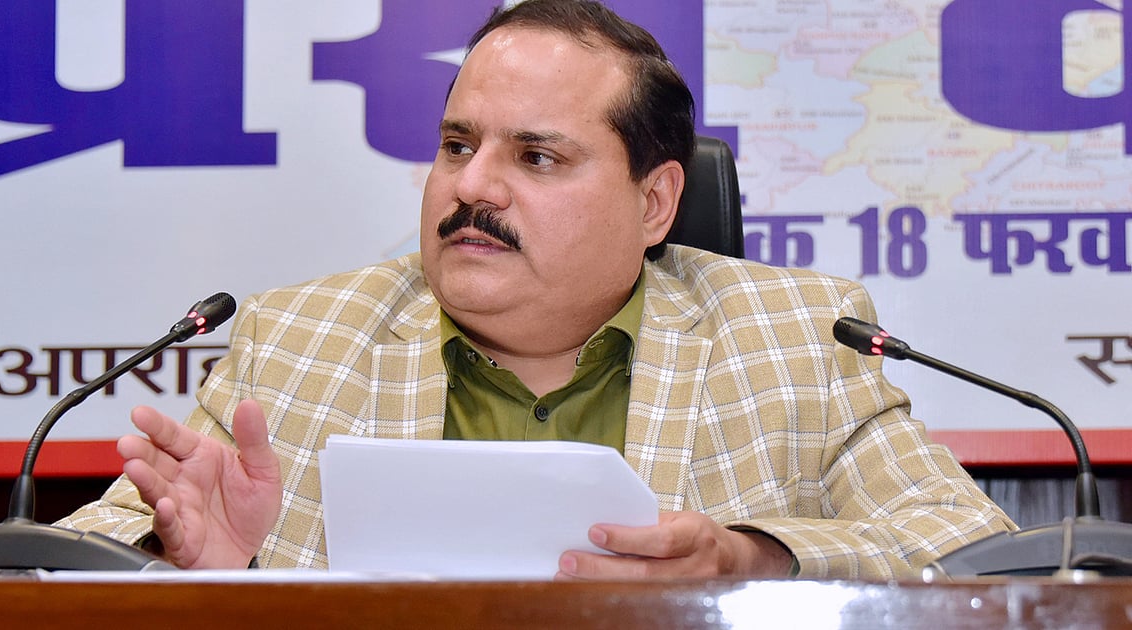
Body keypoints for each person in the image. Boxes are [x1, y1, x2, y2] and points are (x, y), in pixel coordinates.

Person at [60, 0, 1014, 579]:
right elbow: (60, 564)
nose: (471, 186)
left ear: (655, 202)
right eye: (456, 145)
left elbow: (972, 549)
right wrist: (194, 570)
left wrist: (752, 560)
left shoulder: (791, 337)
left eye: (537, 156)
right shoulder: (301, 340)